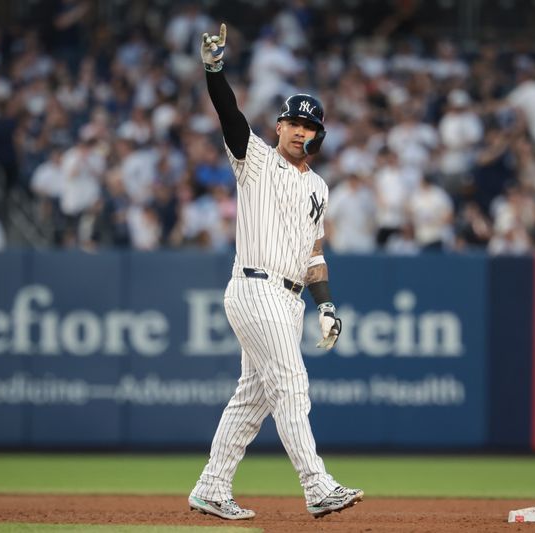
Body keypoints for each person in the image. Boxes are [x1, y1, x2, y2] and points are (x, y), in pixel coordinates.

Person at [187, 24, 363, 521]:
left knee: (253, 399)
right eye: (293, 122)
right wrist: (214, 70)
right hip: (255, 285)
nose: (300, 131)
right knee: (291, 384)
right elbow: (228, 112)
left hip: (290, 298)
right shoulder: (256, 159)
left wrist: (325, 304)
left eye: (309, 126)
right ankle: (317, 486)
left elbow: (314, 255)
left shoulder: (320, 188)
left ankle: (211, 487)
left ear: (318, 135)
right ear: (280, 126)